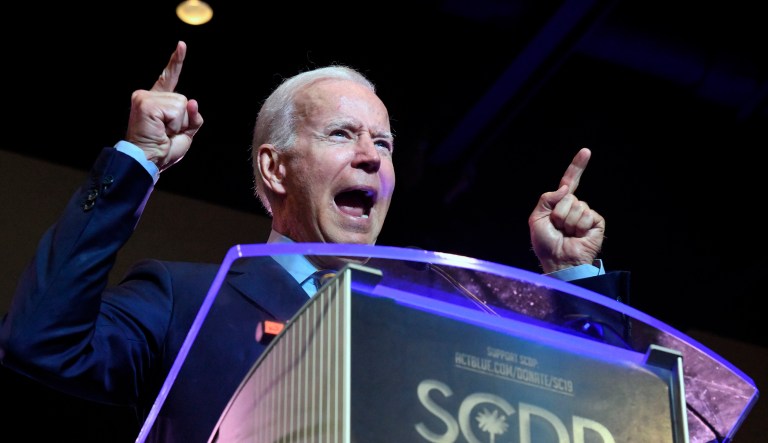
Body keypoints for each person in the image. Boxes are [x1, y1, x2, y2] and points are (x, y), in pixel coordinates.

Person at [0, 41, 628, 442]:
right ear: (275, 169)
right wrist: (136, 161)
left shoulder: (445, 317)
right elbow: (41, 342)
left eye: (382, 144)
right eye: (340, 135)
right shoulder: (189, 300)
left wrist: (576, 281)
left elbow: (597, 414)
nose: (368, 158)